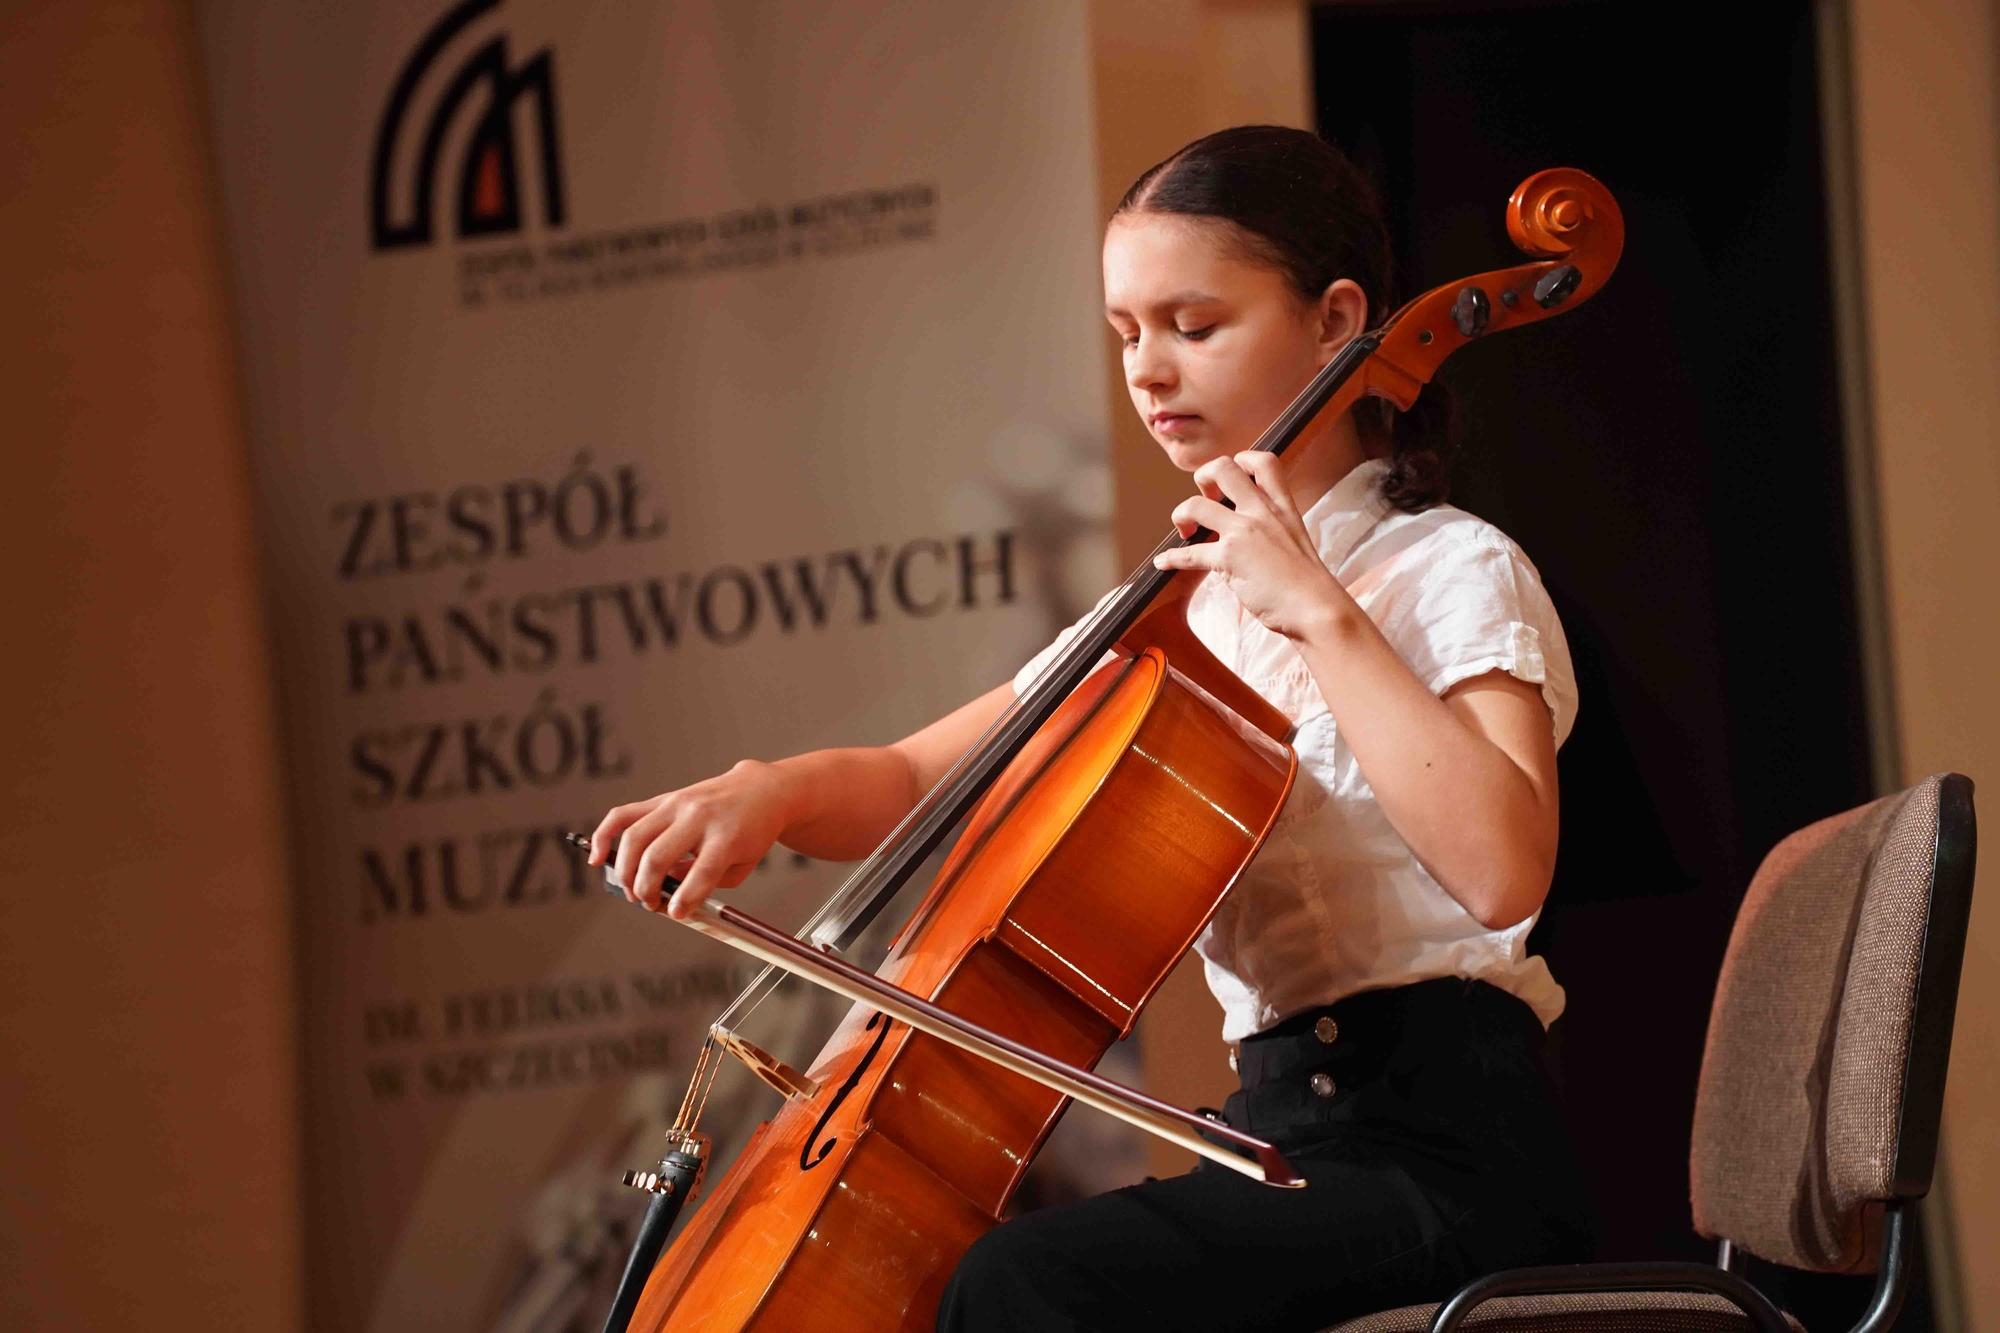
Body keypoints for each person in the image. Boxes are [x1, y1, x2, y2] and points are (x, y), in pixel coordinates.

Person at [588, 124, 1596, 1331]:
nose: (1148, 370)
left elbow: (1499, 869)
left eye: (1193, 325)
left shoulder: (1451, 569)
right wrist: (767, 790)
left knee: (1029, 1285)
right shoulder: (1179, 610)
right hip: (1282, 1139)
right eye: (1125, 333)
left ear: (1335, 321)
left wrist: (1320, 612)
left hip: (1448, 1162)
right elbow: (918, 776)